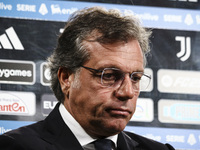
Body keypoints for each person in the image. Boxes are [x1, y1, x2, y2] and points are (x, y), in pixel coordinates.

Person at [0, 7, 175, 150]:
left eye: (135, 78)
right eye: (109, 76)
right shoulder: (15, 146)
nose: (127, 92)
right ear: (66, 78)